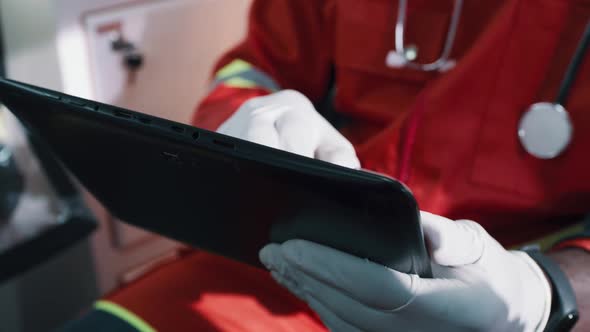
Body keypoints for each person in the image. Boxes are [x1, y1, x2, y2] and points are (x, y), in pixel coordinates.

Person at [63, 1, 589, 331]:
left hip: (499, 294)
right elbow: (257, 68)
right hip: (280, 266)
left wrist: (541, 296)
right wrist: (240, 120)